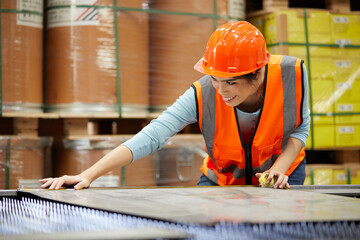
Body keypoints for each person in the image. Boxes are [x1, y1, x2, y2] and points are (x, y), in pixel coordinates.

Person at [40, 21, 310, 190]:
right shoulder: (203, 93)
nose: (221, 91)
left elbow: (300, 129)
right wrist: (88, 174)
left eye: (230, 83)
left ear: (257, 73)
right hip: (223, 180)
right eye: (215, 79)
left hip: (282, 174)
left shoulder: (292, 74)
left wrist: (279, 169)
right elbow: (154, 134)